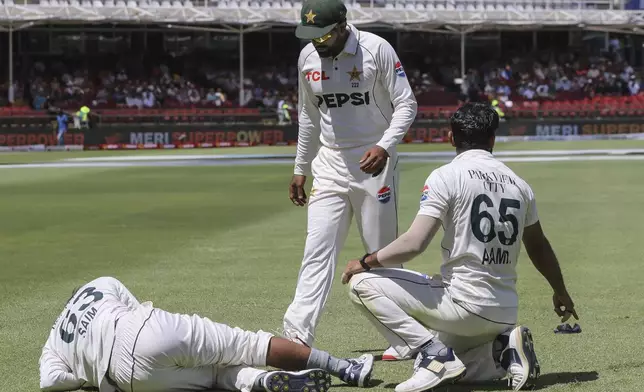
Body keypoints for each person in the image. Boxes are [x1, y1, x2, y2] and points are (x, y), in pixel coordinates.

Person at [340, 102, 578, 391]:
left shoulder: (446, 176)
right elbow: (538, 246)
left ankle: (432, 354)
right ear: (492, 139)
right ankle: (505, 348)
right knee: (462, 372)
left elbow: (414, 244)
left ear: (451, 138)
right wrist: (560, 290)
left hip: (462, 305)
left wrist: (365, 262)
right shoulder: (519, 184)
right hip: (503, 311)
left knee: (361, 283)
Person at [283, 0, 418, 361]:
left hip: (373, 163)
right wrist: (301, 167)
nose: (317, 43)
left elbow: (407, 104)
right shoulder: (307, 58)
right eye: (310, 36)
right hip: (329, 163)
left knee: (381, 252)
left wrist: (385, 146)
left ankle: (406, 337)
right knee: (317, 249)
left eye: (324, 35)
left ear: (344, 25)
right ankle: (297, 335)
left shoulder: (377, 50)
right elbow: (308, 116)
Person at [39, 276, 374, 392]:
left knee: (214, 377)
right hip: (143, 330)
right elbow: (134, 306)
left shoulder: (53, 342)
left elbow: (51, 382)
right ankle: (344, 367)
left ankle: (257, 383)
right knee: (248, 344)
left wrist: (86, 375)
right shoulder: (98, 285)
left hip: (127, 380)